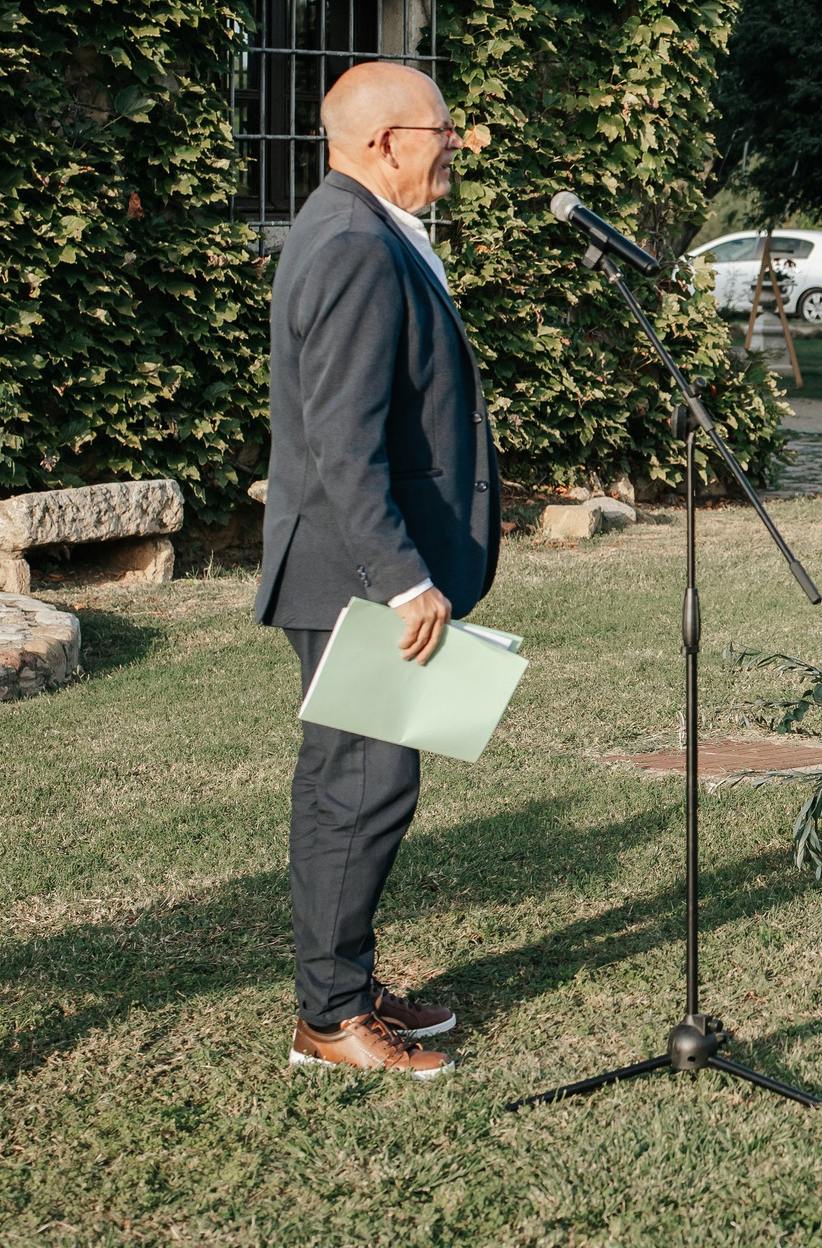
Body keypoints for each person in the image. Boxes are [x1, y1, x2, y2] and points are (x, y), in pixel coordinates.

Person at [257, 60, 501, 1076]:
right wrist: (403, 577)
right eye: (441, 132)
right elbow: (341, 442)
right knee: (361, 789)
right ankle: (330, 1020)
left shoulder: (353, 223)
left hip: (349, 564)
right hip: (354, 572)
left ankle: (345, 987)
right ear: (384, 142)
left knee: (358, 784)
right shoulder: (355, 244)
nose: (456, 148)